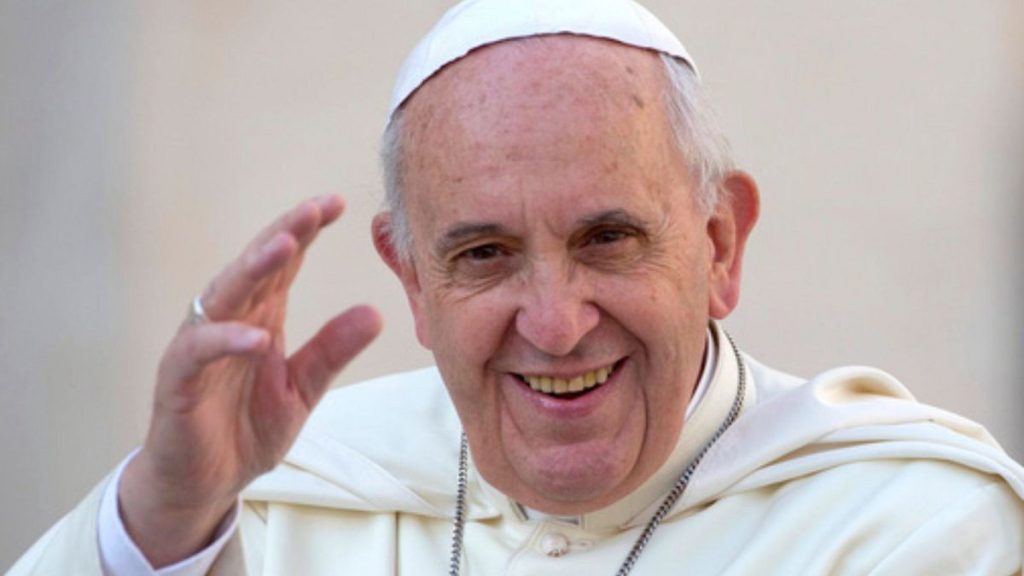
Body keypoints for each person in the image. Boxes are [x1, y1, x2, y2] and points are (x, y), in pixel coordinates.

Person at [10, 0, 1024, 574]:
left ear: (719, 246)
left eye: (609, 238)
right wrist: (162, 520)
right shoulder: (271, 506)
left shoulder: (908, 528)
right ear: (411, 279)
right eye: (483, 254)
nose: (554, 322)